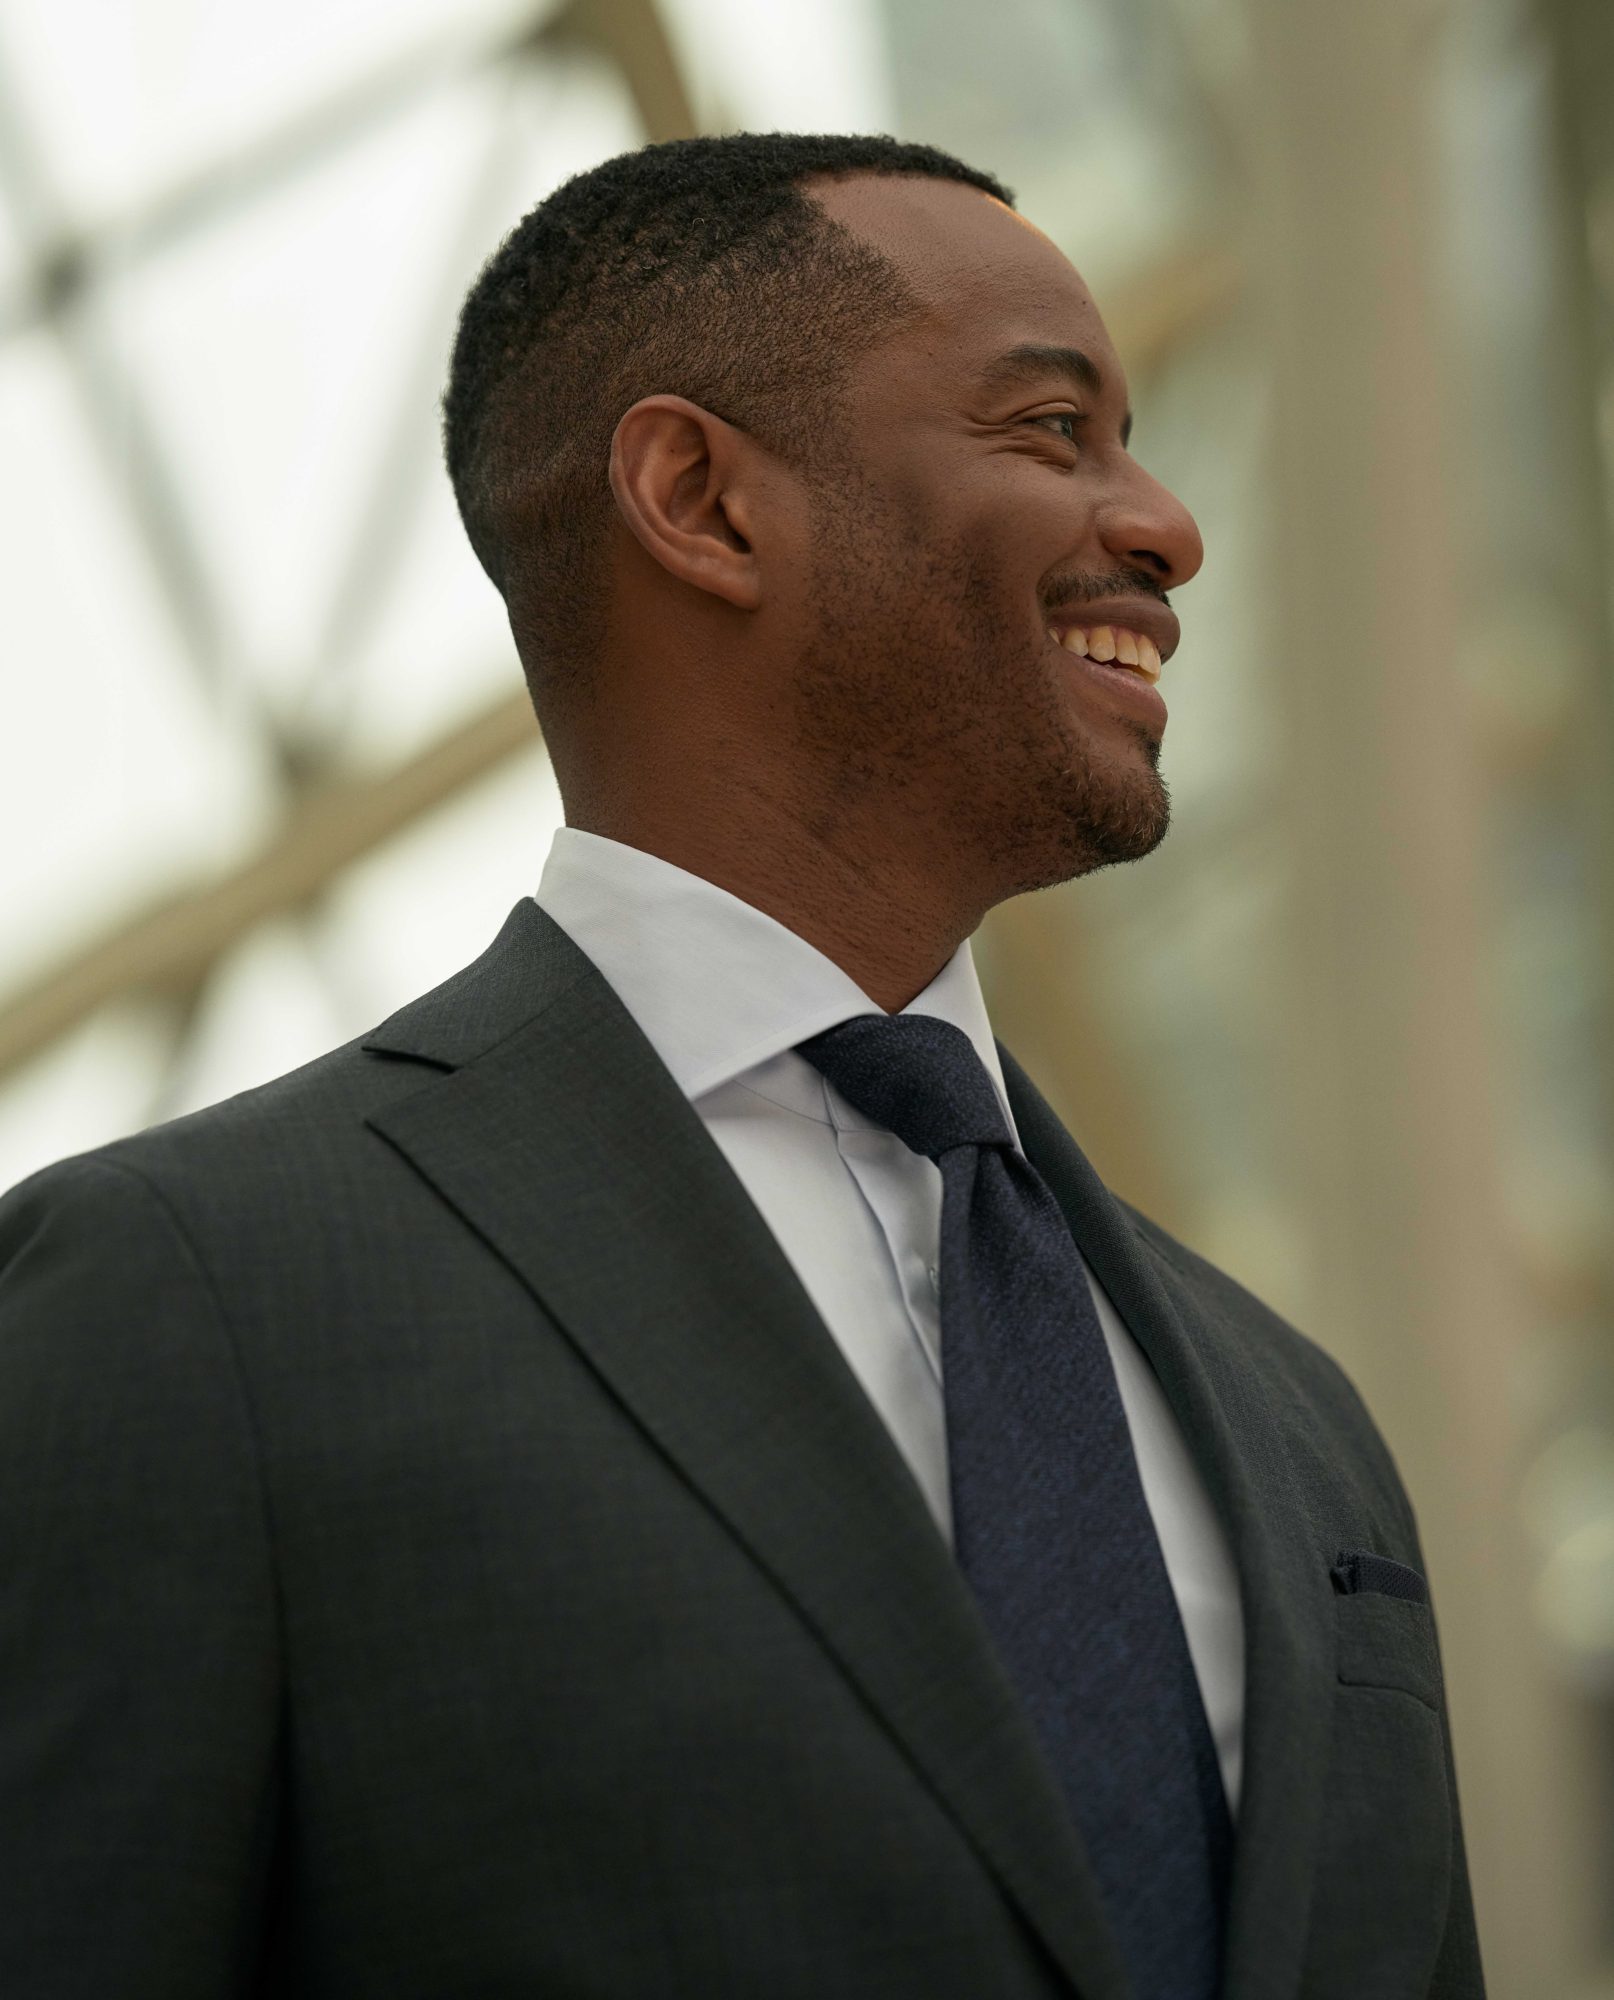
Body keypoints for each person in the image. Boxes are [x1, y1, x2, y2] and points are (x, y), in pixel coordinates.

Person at [0, 132, 1483, 1999]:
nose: (1167, 524)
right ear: (701, 500)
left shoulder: (1296, 1425)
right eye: (1051, 430)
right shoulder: (190, 1300)